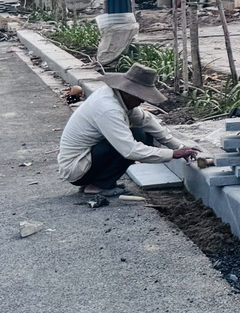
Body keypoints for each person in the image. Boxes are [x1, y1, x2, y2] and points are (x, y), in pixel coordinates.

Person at [57, 63, 197, 206]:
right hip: (77, 168)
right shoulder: (108, 109)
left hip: (86, 160)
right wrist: (172, 154)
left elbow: (145, 120)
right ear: (129, 92)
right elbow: (130, 150)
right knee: (137, 137)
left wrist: (180, 146)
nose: (142, 101)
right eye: (140, 96)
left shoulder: (116, 96)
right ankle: (99, 185)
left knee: (142, 133)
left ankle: (100, 181)